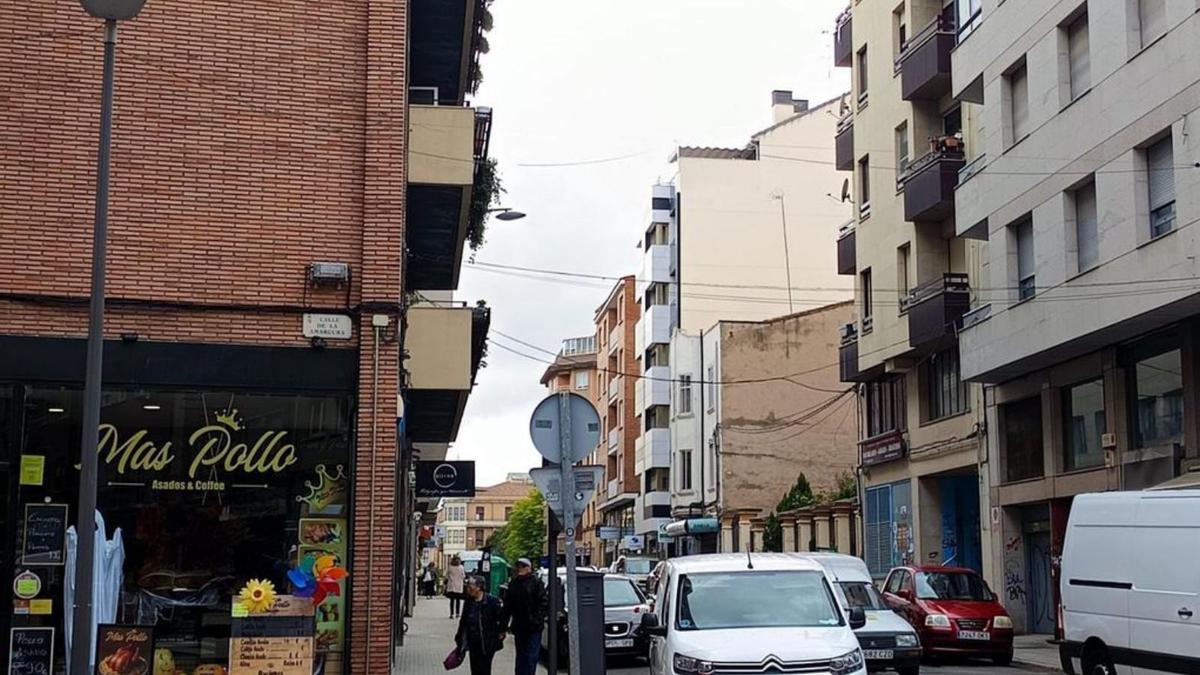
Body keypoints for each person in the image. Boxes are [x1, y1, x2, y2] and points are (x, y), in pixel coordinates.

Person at [501, 558, 547, 675]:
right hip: (520, 627)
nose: (520, 569)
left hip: (533, 628)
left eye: (523, 566)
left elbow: (543, 603)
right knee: (521, 657)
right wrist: (502, 627)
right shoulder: (514, 584)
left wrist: (536, 619)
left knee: (531, 657)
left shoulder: (536, 583)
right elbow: (508, 607)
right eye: (518, 566)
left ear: (529, 568)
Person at [455, 576, 505, 675]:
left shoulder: (492, 601)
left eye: (470, 585)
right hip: (473, 642)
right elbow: (463, 621)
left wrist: (500, 633)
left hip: (487, 642)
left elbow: (501, 619)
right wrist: (459, 637)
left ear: (479, 587)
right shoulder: (469, 602)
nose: (468, 588)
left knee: (484, 669)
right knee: (475, 668)